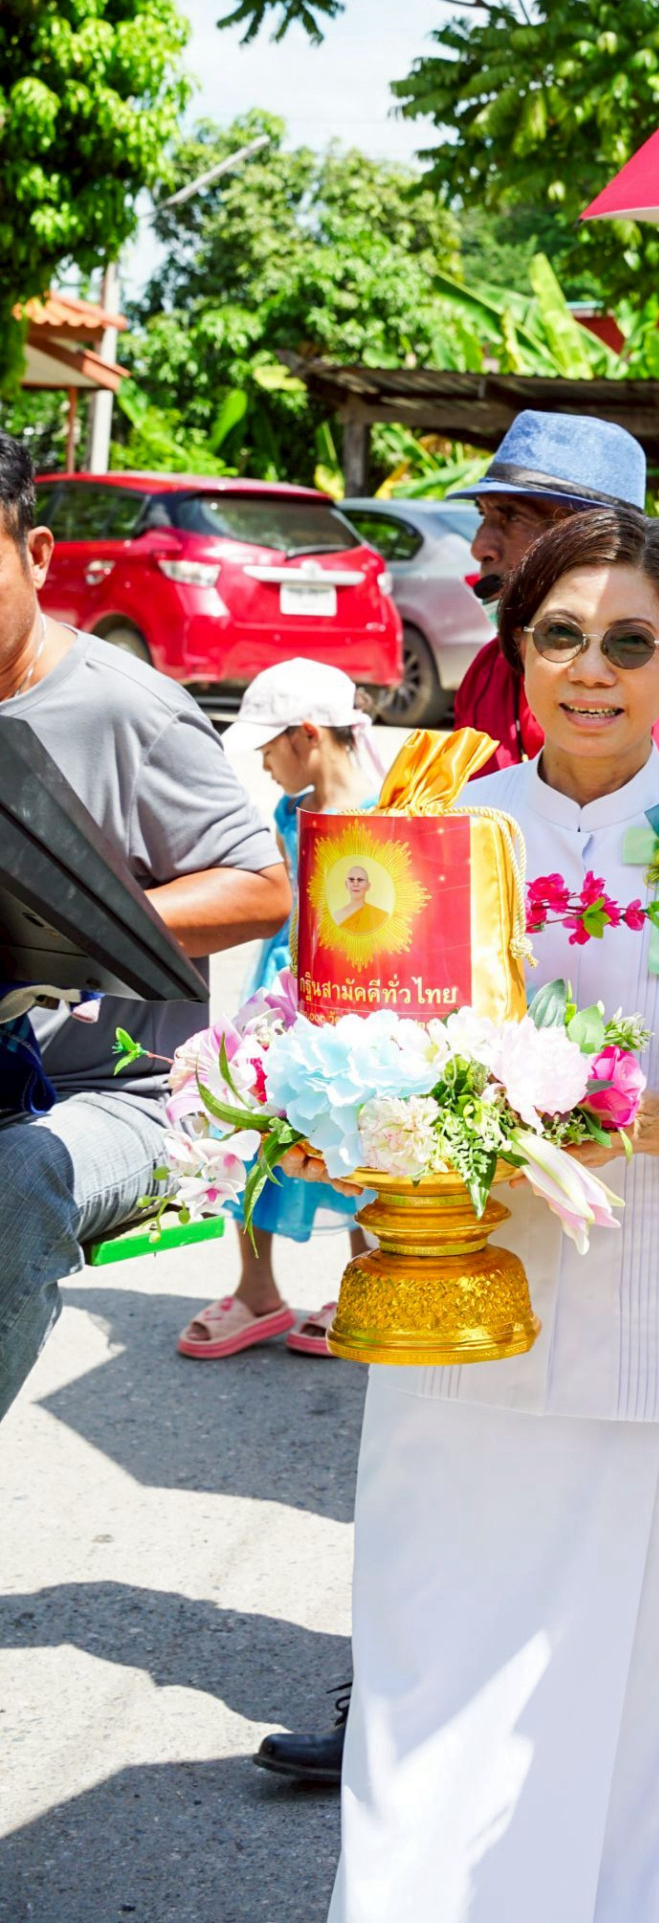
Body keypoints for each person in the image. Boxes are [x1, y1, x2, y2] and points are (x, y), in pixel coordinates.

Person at [314, 506, 659, 1923]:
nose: (591, 669)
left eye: (629, 642)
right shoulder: (435, 840)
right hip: (458, 1333)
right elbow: (348, 1077)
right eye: (560, 636)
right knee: (433, 1684)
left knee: (636, 1707)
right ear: (519, 653)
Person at [0, 432, 289, 1422]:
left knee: (17, 1181)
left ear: (36, 554)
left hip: (116, 1094)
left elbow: (261, 889)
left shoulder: (128, 710)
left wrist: (61, 925)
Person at [178, 661, 381, 1362]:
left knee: (353, 1143)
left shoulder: (385, 811)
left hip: (351, 1002)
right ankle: (258, 1291)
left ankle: (364, 1286)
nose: (263, 761)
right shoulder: (290, 812)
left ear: (308, 735)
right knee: (255, 1132)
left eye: (271, 745)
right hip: (277, 992)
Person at [449, 408, 659, 811]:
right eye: (485, 514)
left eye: (511, 517)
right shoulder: (487, 672)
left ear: (595, 539)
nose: (481, 546)